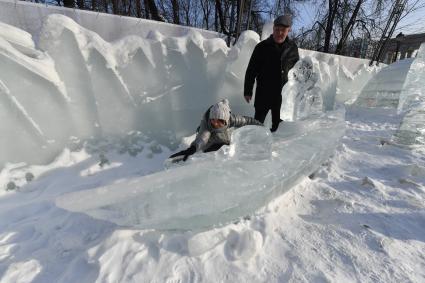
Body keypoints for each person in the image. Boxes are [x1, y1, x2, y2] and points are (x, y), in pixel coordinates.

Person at [244, 14, 299, 132]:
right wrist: (248, 90)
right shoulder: (261, 47)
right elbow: (251, 70)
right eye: (277, 29)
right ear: (273, 29)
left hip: (282, 97)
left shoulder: (293, 49)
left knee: (278, 129)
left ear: (289, 30)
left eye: (283, 30)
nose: (279, 33)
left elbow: (297, 71)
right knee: (257, 126)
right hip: (263, 94)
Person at [169, 99, 263, 162]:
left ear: (226, 120)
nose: (215, 123)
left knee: (231, 150)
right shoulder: (207, 125)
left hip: (225, 143)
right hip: (210, 147)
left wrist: (261, 127)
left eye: (219, 121)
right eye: (213, 120)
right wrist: (192, 149)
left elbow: (247, 120)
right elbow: (202, 138)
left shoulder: (231, 119)